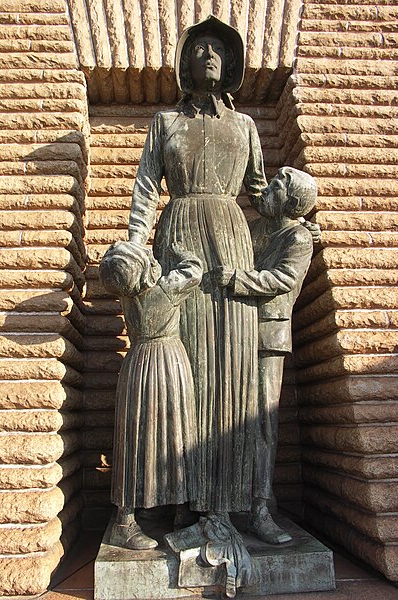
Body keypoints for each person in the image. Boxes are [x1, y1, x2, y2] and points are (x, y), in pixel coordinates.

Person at [128, 15, 268, 516]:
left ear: (229, 63)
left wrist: (297, 218)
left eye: (217, 49)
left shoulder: (246, 125)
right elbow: (147, 189)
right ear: (186, 63)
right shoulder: (166, 124)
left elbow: (260, 194)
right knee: (183, 365)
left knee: (233, 369)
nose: (208, 54)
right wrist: (135, 247)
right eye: (199, 48)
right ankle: (183, 496)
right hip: (181, 239)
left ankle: (235, 498)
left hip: (231, 243)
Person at [213, 167, 317, 543]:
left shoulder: (298, 236)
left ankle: (260, 510)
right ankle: (218, 505)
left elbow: (283, 280)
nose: (266, 190)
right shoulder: (257, 228)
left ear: (290, 200)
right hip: (236, 329)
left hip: (267, 336)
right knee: (225, 416)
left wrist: (235, 279)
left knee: (261, 426)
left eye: (275, 187)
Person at [99, 241, 203, 550]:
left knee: (136, 441)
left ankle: (131, 516)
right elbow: (194, 272)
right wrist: (183, 251)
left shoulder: (126, 294)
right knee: (177, 436)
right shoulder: (167, 287)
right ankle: (177, 512)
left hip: (137, 365)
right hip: (169, 364)